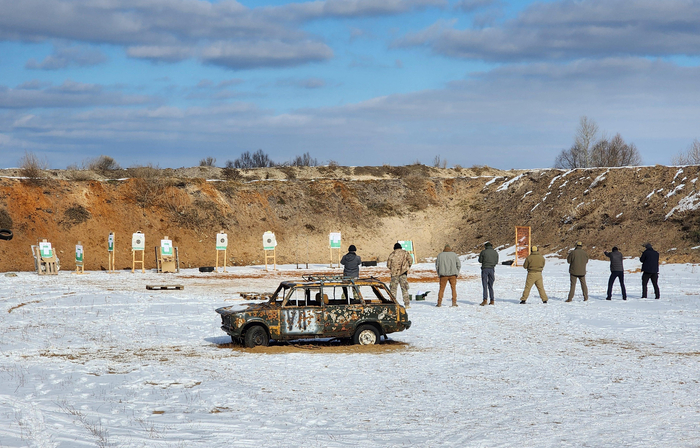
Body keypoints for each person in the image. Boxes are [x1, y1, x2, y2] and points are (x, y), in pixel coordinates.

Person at [387, 242, 413, 308]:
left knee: (393, 290)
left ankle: (392, 304)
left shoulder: (392, 254)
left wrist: (393, 268)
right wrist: (407, 267)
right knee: (404, 289)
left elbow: (388, 265)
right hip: (403, 273)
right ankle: (407, 304)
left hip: (394, 274)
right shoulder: (405, 253)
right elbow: (411, 260)